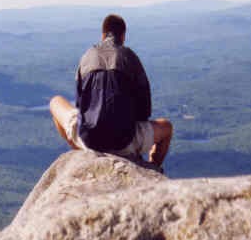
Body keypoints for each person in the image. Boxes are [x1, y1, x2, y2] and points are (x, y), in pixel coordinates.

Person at [49, 14, 172, 169]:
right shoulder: (130, 57)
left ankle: (84, 153)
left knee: (55, 102)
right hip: (125, 141)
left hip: (89, 139)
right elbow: (144, 110)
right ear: (123, 36)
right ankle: (153, 168)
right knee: (167, 128)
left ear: (103, 34)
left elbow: (81, 106)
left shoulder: (87, 57)